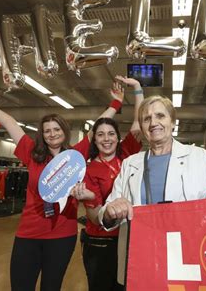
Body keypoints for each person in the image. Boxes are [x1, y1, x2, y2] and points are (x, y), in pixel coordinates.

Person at [0, 81, 125, 291]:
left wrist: (116, 102)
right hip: (28, 234)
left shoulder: (75, 155)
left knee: (51, 287)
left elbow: (96, 129)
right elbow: (11, 123)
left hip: (62, 236)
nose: (52, 133)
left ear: (64, 131)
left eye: (56, 129)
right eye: (47, 130)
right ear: (42, 134)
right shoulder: (32, 153)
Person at [97, 95, 206, 285]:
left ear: (172, 122)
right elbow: (106, 211)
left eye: (160, 116)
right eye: (147, 119)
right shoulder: (131, 164)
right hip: (143, 257)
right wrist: (110, 212)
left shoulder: (198, 158)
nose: (154, 123)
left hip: (188, 256)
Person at [70, 76, 143, 291]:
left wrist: (137, 90)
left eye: (111, 133)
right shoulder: (89, 170)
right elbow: (94, 217)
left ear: (118, 137)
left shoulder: (127, 153)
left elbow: (138, 123)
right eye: (100, 135)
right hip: (100, 243)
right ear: (94, 140)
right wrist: (91, 199)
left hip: (129, 239)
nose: (106, 138)